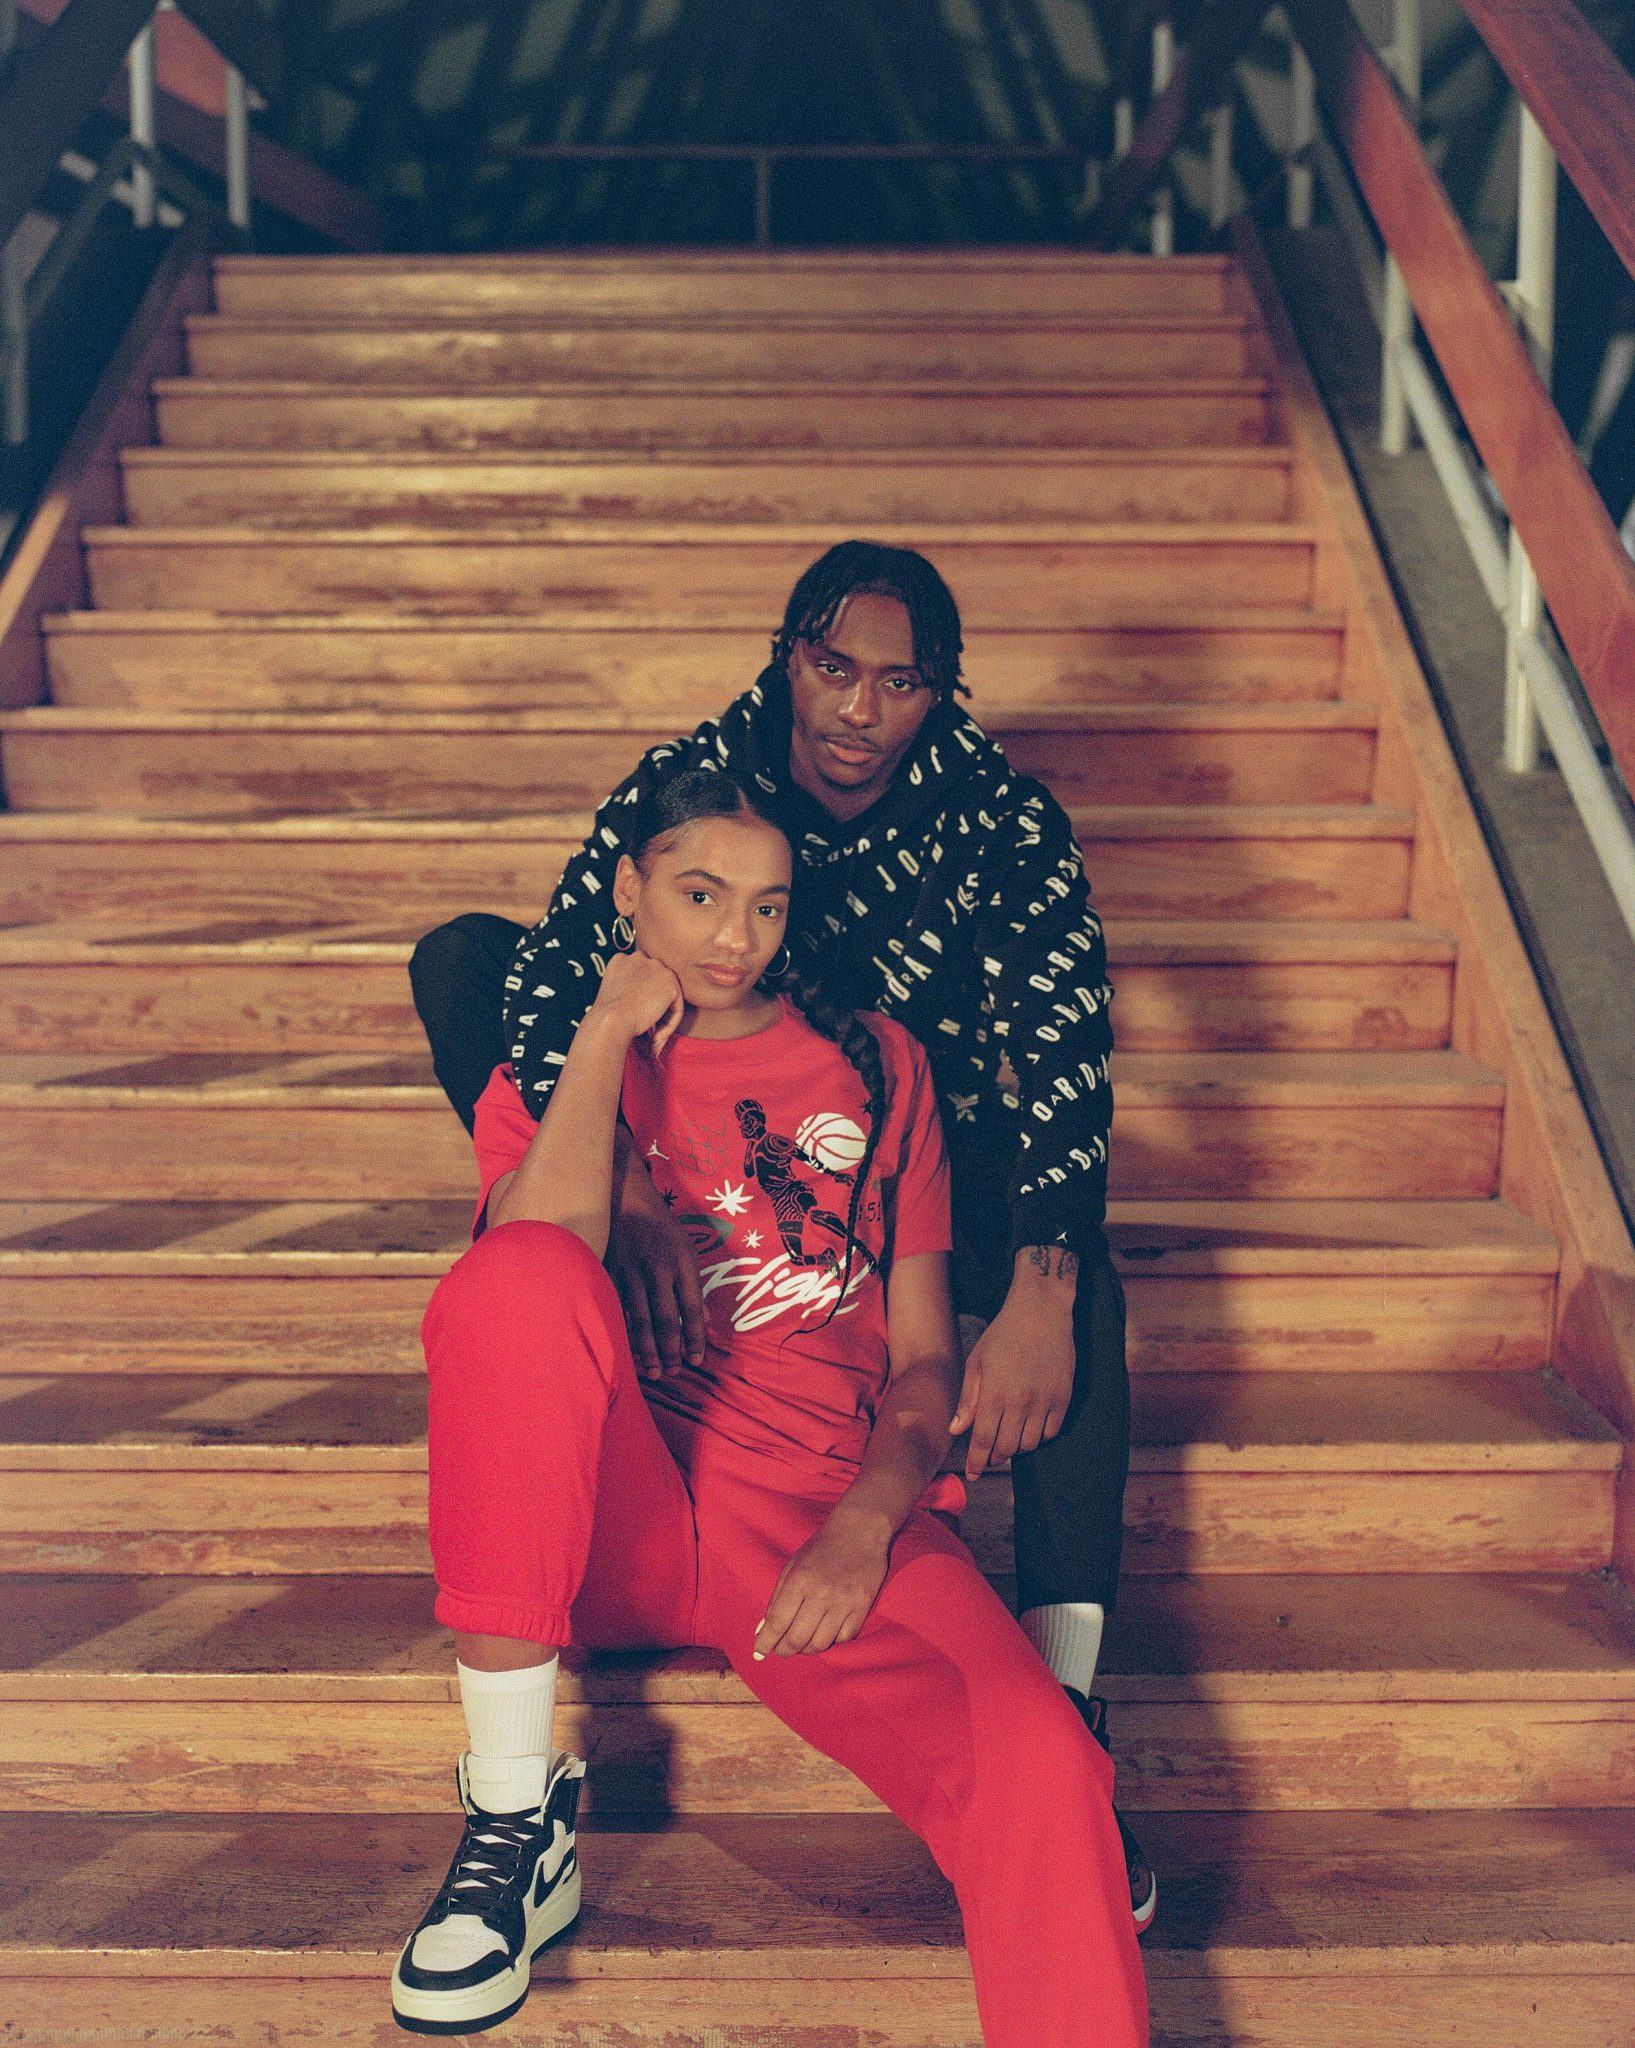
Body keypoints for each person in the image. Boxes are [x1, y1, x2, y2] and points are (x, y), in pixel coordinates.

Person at [410, 540, 1153, 1929]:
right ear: (786, 659)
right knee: (466, 957)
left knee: (1077, 1281)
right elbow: (567, 966)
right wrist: (627, 1179)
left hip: (909, 1136)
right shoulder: (697, 775)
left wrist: (1040, 1283)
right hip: (693, 1105)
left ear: (939, 694)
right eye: (832, 668)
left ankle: (1065, 1711)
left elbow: (1066, 1051)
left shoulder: (1000, 816)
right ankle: (564, 1208)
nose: (860, 711)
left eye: (901, 683)